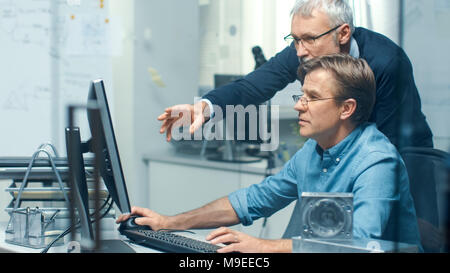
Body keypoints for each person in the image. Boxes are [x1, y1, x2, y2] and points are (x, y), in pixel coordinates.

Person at [119, 54, 422, 253]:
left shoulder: (377, 161)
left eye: (312, 98)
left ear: (347, 108)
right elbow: (252, 201)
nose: (299, 105)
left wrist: (262, 246)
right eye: (301, 96)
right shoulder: (312, 152)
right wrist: (168, 223)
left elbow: (357, 246)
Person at [157, 0, 433, 149]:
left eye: (310, 39)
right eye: (295, 39)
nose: (300, 51)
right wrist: (205, 107)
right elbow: (251, 87)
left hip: (407, 157)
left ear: (344, 33)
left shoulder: (386, 62)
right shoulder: (303, 51)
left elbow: (388, 143)